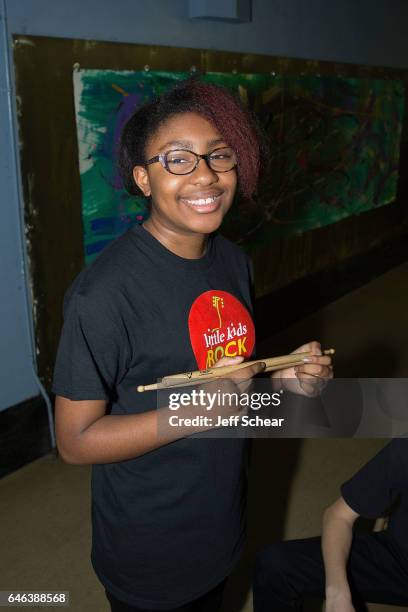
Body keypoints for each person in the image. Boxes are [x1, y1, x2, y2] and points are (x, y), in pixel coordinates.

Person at [52, 78, 333, 612]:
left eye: (219, 155)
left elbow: (232, 384)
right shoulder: (103, 295)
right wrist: (198, 412)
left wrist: (284, 384)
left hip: (222, 512)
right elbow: (75, 442)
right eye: (177, 159)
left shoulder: (233, 262)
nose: (205, 175)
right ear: (142, 178)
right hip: (149, 542)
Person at [253, 438, 408, 612]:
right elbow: (339, 516)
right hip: (399, 558)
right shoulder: (403, 449)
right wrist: (337, 593)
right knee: (275, 565)